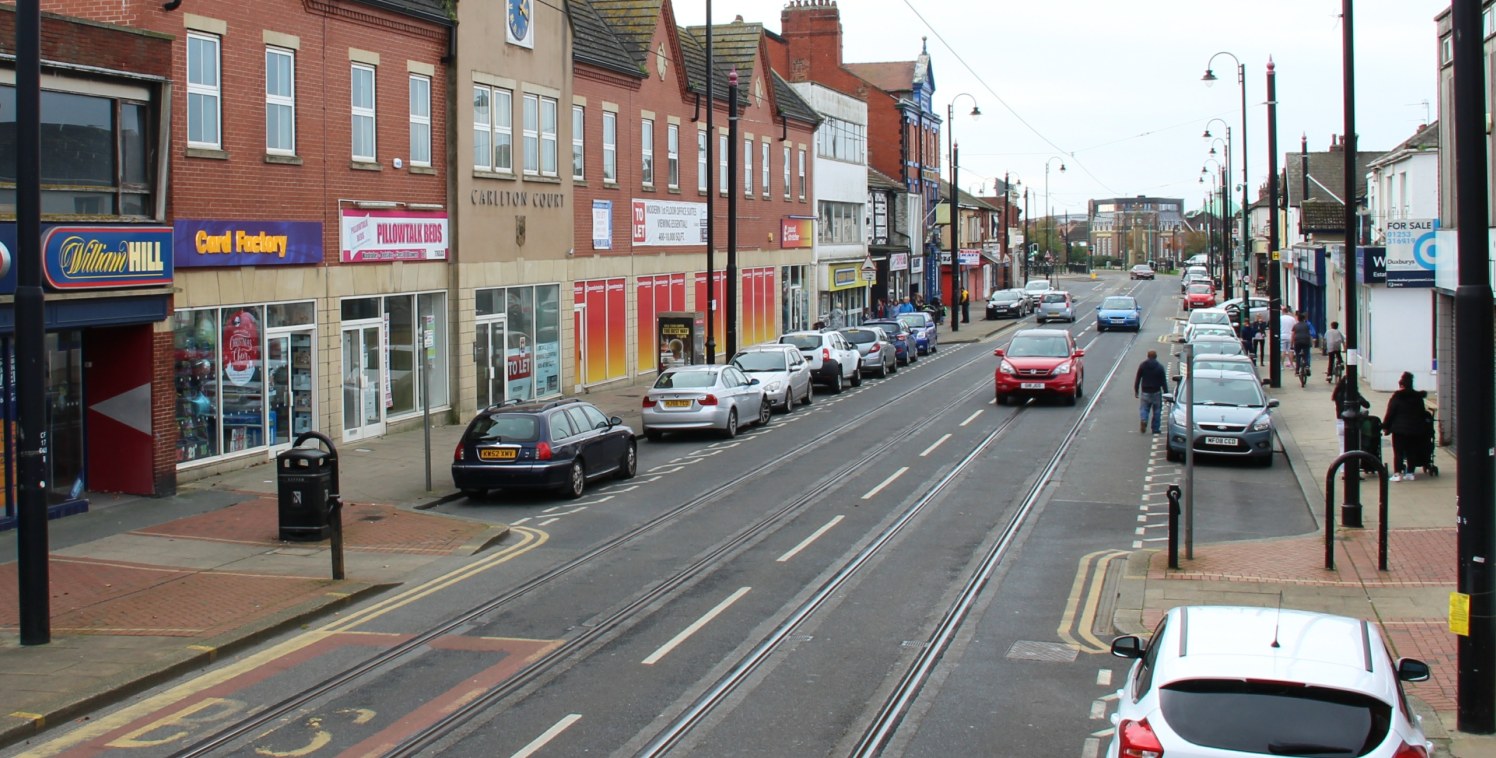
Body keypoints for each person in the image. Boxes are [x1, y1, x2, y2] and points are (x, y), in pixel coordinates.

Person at [1383, 371, 1430, 482]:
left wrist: (1386, 426)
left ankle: (1398, 473)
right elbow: (1422, 413)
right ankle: (1410, 473)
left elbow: (1390, 413)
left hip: (1399, 430)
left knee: (1398, 452)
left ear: (1401, 385)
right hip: (1414, 430)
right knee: (1411, 451)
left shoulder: (1397, 397)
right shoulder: (1418, 398)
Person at [1331, 372, 1370, 454]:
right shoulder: (1354, 395)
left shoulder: (1338, 393)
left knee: (1342, 448)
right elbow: (1367, 404)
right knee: (1353, 448)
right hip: (1352, 424)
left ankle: (1342, 466)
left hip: (1340, 422)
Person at [1134, 349, 1168, 434]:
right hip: (1156, 392)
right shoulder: (1160, 367)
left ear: (1148, 356)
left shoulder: (1142, 365)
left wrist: (1136, 390)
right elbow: (1163, 381)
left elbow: (1138, 378)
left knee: (1144, 408)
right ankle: (1155, 429)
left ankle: (1144, 419)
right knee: (1157, 411)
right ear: (1156, 357)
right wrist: (1166, 393)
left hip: (1145, 391)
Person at [1290, 310, 1313, 375]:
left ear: (1298, 319)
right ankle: (1307, 366)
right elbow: (1310, 334)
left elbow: (1293, 336)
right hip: (1306, 341)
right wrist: (1311, 343)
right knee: (1307, 354)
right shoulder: (1307, 325)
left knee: (1298, 355)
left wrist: (1291, 345)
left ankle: (1297, 370)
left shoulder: (1295, 326)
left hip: (1297, 342)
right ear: (1304, 319)